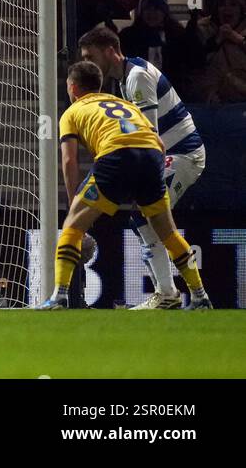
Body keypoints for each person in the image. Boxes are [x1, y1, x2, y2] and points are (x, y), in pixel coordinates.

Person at [37, 60, 210, 310]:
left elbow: (68, 159)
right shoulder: (124, 104)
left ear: (73, 88)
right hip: (151, 155)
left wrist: (75, 198)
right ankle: (199, 296)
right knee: (168, 232)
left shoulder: (72, 113)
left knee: (72, 226)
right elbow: (159, 145)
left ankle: (59, 296)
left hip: (116, 154)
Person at [78, 26, 205, 309]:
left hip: (183, 154)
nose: (86, 63)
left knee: (149, 215)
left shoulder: (136, 78)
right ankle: (174, 295)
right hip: (171, 153)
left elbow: (151, 140)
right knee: (145, 219)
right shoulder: (126, 80)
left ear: (110, 51)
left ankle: (176, 295)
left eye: (90, 55)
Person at [119, 0, 197, 87]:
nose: (152, 14)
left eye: (156, 9)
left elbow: (191, 60)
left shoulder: (176, 35)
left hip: (172, 89)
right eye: (148, 9)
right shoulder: (129, 36)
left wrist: (192, 31)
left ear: (164, 12)